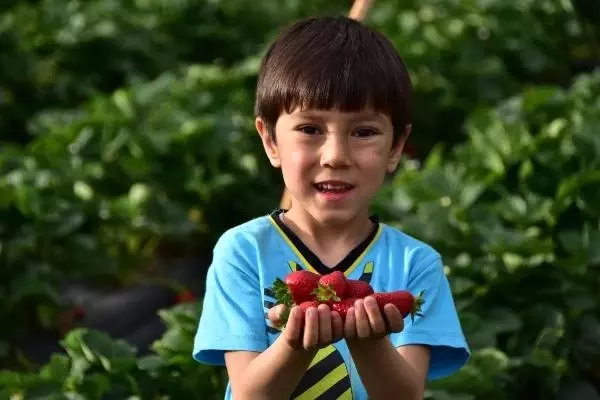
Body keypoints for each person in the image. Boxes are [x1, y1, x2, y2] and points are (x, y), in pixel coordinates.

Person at [192, 15, 470, 400]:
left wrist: (370, 342)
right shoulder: (243, 251)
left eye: (364, 132)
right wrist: (294, 344)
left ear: (396, 148)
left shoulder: (414, 264)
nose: (336, 156)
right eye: (310, 129)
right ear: (270, 140)